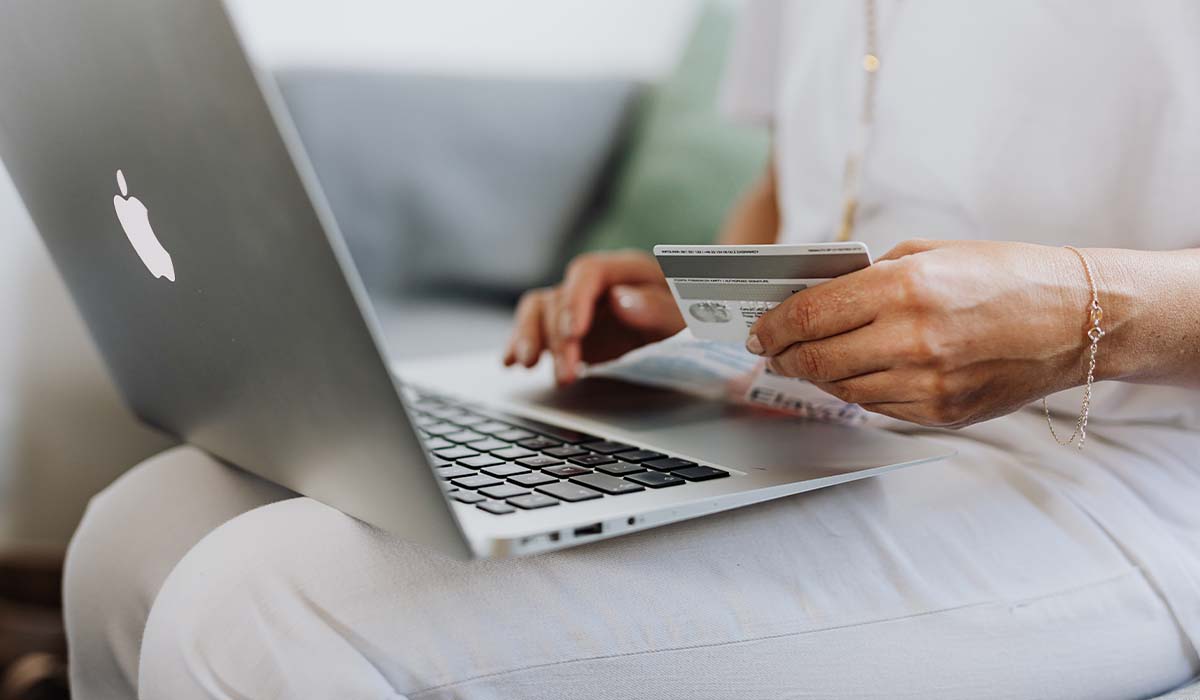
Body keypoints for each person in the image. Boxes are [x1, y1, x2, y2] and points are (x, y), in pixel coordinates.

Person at [64, 2, 1200, 698]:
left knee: (257, 613)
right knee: (141, 530)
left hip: (1108, 467)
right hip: (819, 414)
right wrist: (713, 295)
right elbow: (794, 183)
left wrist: (1081, 309)